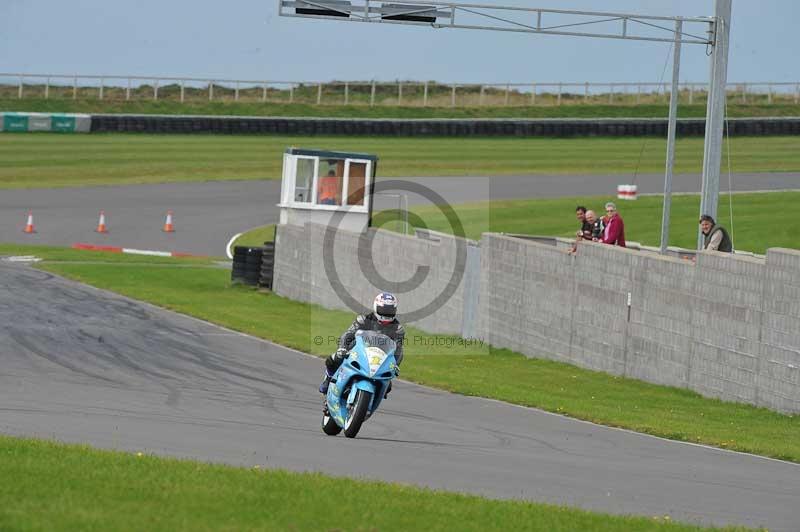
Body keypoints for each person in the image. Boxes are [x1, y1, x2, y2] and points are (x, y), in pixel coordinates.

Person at [319, 292, 405, 398]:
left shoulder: (398, 329)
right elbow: (348, 334)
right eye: (384, 310)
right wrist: (342, 348)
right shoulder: (363, 319)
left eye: (390, 310)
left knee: (388, 385)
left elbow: (398, 349)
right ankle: (328, 379)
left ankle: (370, 400)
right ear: (376, 307)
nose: (387, 313)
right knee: (334, 358)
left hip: (379, 359)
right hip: (358, 351)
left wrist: (395, 364)